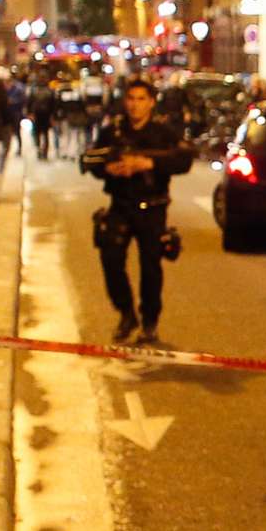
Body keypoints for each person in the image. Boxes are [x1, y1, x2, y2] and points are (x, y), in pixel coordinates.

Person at [84, 79, 195, 345]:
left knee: (151, 269)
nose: (135, 105)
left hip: (152, 208)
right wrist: (109, 168)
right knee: (110, 260)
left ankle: (149, 322)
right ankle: (126, 313)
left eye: (141, 99)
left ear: (151, 102)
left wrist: (149, 163)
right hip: (120, 205)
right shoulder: (114, 131)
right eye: (131, 99)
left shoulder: (163, 132)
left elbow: (184, 159)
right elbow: (91, 159)